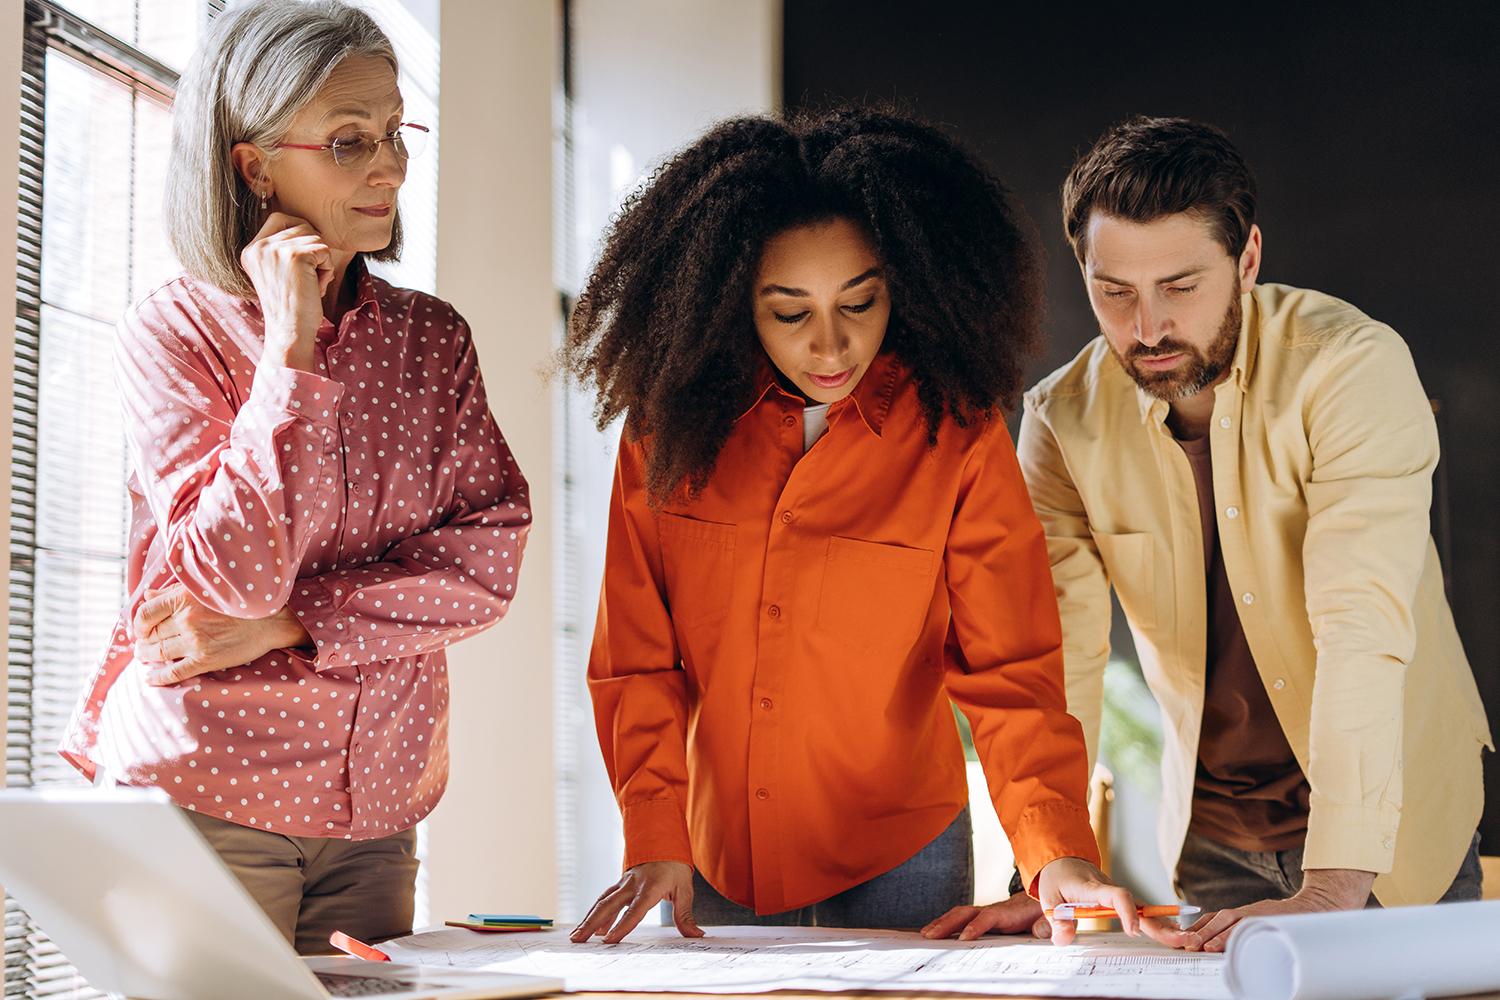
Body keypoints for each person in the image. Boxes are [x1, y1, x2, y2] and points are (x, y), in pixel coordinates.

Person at [563, 108, 1179, 948]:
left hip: (904, 851)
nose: (832, 345)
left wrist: (1055, 852)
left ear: (905, 284)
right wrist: (653, 835)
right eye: (790, 313)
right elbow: (635, 660)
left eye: (861, 301)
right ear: (732, 301)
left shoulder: (957, 433)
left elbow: (1009, 667)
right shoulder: (665, 437)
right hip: (711, 856)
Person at [59, 0, 530, 954]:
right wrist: (288, 352)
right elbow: (231, 576)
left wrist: (294, 623)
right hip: (204, 791)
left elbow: (486, 572)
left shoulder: (433, 339)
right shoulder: (172, 333)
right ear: (254, 166)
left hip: (377, 808)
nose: (390, 166)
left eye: (394, 133)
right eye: (350, 142)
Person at [1012, 116, 1492, 952]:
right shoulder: (1061, 420)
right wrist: (1051, 858)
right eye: (1114, 291)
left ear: (1248, 259)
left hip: (1388, 836)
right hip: (1212, 841)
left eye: (1181, 286)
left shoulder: (1350, 368)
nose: (1147, 327)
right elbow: (1053, 656)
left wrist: (1332, 886)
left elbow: (1360, 624)